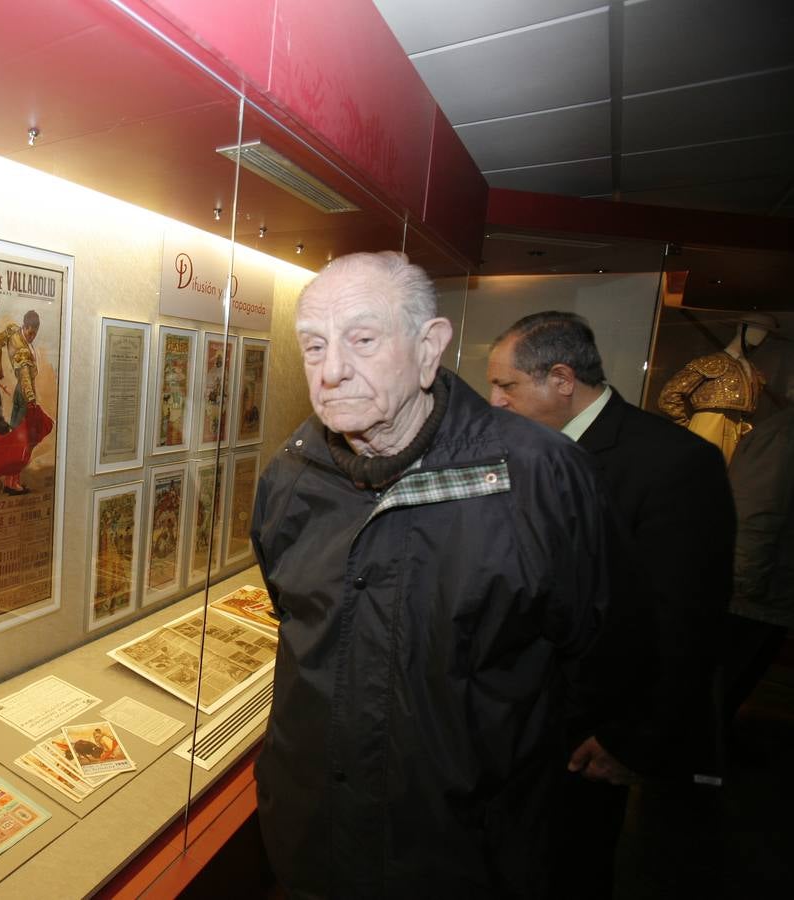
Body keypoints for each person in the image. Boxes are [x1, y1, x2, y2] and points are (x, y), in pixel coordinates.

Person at [251, 252, 620, 898]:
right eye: (314, 346)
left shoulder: (540, 476)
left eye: (362, 339)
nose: (332, 370)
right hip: (315, 847)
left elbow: (591, 649)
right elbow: (297, 624)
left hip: (466, 857)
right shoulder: (289, 479)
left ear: (429, 349)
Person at [487, 311, 735, 897]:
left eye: (507, 386)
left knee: (568, 867)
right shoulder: (520, 450)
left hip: (587, 735)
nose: (494, 401)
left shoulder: (674, 464)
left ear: (563, 379)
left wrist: (634, 740)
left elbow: (686, 620)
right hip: (509, 721)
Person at [722, 405, 794, 722]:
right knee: (722, 688)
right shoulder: (783, 434)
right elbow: (754, 514)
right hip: (754, 597)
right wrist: (744, 585)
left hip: (771, 592)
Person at [657, 312, 776, 463]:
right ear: (741, 328)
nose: (761, 336)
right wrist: (688, 426)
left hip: (737, 429)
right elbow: (669, 395)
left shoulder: (752, 370)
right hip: (709, 424)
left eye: (765, 332)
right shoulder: (712, 362)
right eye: (757, 329)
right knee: (702, 469)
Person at [0, 309, 40, 495]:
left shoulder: (12, 331)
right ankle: (12, 483)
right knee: (21, 442)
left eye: (35, 333)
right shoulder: (22, 351)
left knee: (16, 439)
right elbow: (26, 376)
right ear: (25, 326)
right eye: (30, 332)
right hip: (24, 392)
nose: (32, 336)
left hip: (20, 392)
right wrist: (32, 400)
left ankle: (11, 480)